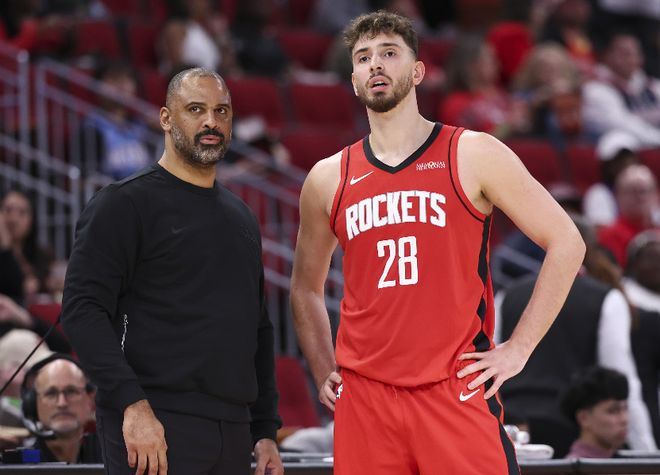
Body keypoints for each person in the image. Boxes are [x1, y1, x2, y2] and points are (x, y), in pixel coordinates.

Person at [290, 11, 585, 475]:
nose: (375, 64)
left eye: (389, 53)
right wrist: (322, 365)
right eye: (363, 58)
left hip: (454, 387)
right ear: (353, 80)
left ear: (418, 71)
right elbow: (305, 286)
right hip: (365, 400)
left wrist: (518, 349)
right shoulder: (327, 178)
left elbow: (567, 242)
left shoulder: (473, 153)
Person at [61, 67, 283, 475]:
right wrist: (131, 403)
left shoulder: (242, 218)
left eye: (221, 111)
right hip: (155, 421)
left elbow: (258, 328)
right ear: (165, 118)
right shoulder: (122, 203)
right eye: (195, 109)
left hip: (233, 430)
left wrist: (265, 430)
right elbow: (82, 310)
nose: (211, 121)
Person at [20, 353, 102, 463]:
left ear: (90, 400)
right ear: (33, 404)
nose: (62, 403)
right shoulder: (18, 464)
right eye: (51, 393)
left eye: (71, 391)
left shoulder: (115, 457)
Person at [560, 366, 630, 459]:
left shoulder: (625, 461)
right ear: (584, 418)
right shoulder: (573, 466)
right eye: (612, 411)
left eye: (625, 409)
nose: (624, 419)